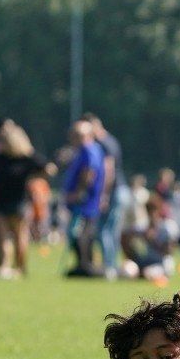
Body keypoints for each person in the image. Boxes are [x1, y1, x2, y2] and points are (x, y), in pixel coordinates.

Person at [0, 120, 53, 278]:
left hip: (18, 202)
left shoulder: (27, 158)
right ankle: (3, 266)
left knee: (19, 236)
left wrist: (33, 180)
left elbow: (48, 169)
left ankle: (19, 267)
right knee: (2, 236)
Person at [83, 113, 130, 280]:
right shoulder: (112, 140)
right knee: (111, 231)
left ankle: (109, 267)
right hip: (121, 190)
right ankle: (113, 266)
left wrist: (103, 195)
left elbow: (108, 170)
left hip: (113, 191)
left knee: (103, 230)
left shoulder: (103, 143)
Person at [62, 119, 106, 277]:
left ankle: (86, 265)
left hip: (85, 201)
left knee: (81, 234)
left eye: (77, 135)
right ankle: (83, 265)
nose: (73, 138)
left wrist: (79, 192)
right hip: (85, 201)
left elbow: (89, 172)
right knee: (81, 233)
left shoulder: (89, 150)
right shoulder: (84, 150)